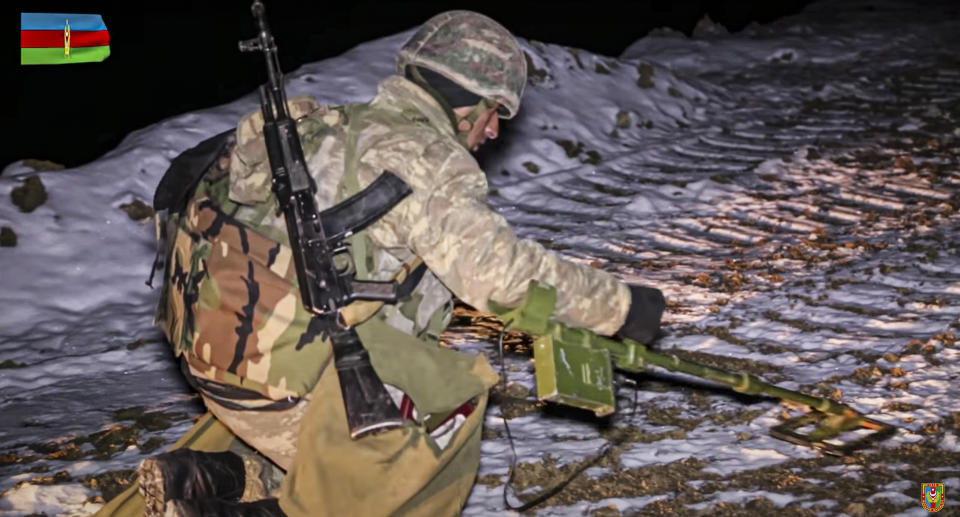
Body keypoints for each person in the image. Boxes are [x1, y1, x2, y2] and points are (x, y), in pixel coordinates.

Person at [139, 9, 664, 517]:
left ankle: (208, 478)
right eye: (492, 114)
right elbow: (502, 276)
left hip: (215, 360)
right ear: (464, 103)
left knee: (380, 362)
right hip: (278, 384)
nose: (494, 132)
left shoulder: (332, 128)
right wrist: (619, 306)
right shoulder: (423, 157)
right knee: (435, 415)